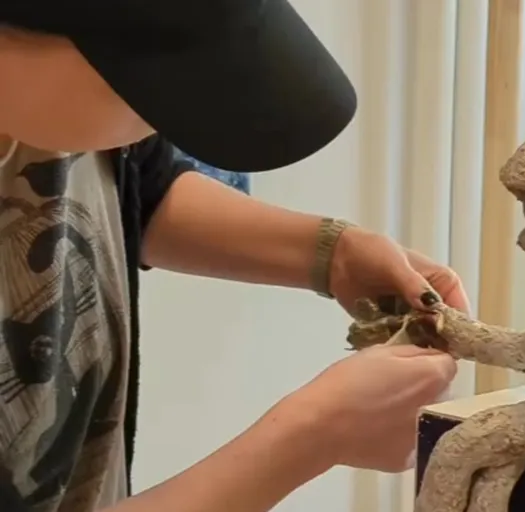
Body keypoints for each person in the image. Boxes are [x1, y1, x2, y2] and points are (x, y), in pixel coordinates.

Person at [0, 0, 465, 511]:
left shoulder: (45, 100)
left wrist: (334, 254)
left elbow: (137, 190)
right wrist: (311, 437)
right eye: (147, 86)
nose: (168, 117)